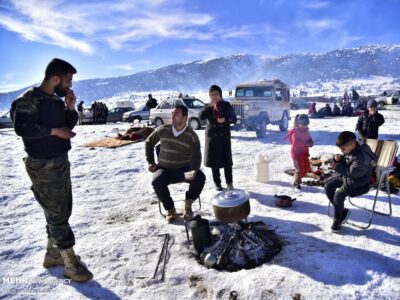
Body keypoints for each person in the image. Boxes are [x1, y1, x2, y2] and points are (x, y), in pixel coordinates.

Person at [10, 58, 93, 282]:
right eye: (67, 81)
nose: (70, 86)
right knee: (57, 214)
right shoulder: (28, 100)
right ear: (55, 79)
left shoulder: (56, 101)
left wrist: (70, 108)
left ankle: (53, 254)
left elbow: (68, 125)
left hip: (59, 161)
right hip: (42, 165)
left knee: (60, 210)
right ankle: (70, 263)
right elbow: (23, 128)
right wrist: (55, 132)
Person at [145, 105, 206, 223]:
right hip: (165, 169)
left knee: (200, 177)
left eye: (176, 114)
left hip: (183, 169)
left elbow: (196, 156)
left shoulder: (191, 135)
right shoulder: (163, 129)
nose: (173, 116)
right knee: (157, 181)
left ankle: (187, 204)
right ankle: (170, 209)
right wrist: (151, 162)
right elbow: (148, 142)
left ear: (185, 118)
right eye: (172, 113)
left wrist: (193, 170)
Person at [324, 131, 377, 232]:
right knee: (328, 186)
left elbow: (353, 173)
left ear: (352, 144)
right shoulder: (353, 149)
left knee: (338, 195)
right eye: (340, 149)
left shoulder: (362, 156)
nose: (342, 151)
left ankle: (337, 219)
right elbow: (349, 161)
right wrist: (338, 159)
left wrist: (337, 166)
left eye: (343, 149)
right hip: (348, 176)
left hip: (359, 182)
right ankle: (341, 211)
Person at [200, 85, 237, 191]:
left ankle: (229, 183)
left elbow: (234, 118)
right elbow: (201, 117)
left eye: (216, 94)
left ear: (220, 94)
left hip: (223, 136)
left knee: (226, 162)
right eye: (212, 95)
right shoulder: (208, 106)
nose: (214, 97)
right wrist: (208, 107)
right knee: (214, 162)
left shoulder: (226, 105)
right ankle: (217, 183)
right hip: (212, 137)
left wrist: (225, 119)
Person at [287, 114, 314, 189]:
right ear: (299, 123)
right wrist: (306, 144)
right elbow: (295, 143)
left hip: (304, 153)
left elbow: (309, 138)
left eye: (306, 124)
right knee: (300, 168)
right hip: (297, 153)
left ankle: (297, 177)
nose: (304, 126)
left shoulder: (306, 130)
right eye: (303, 124)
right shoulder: (295, 132)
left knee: (307, 167)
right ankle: (297, 182)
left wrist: (311, 142)